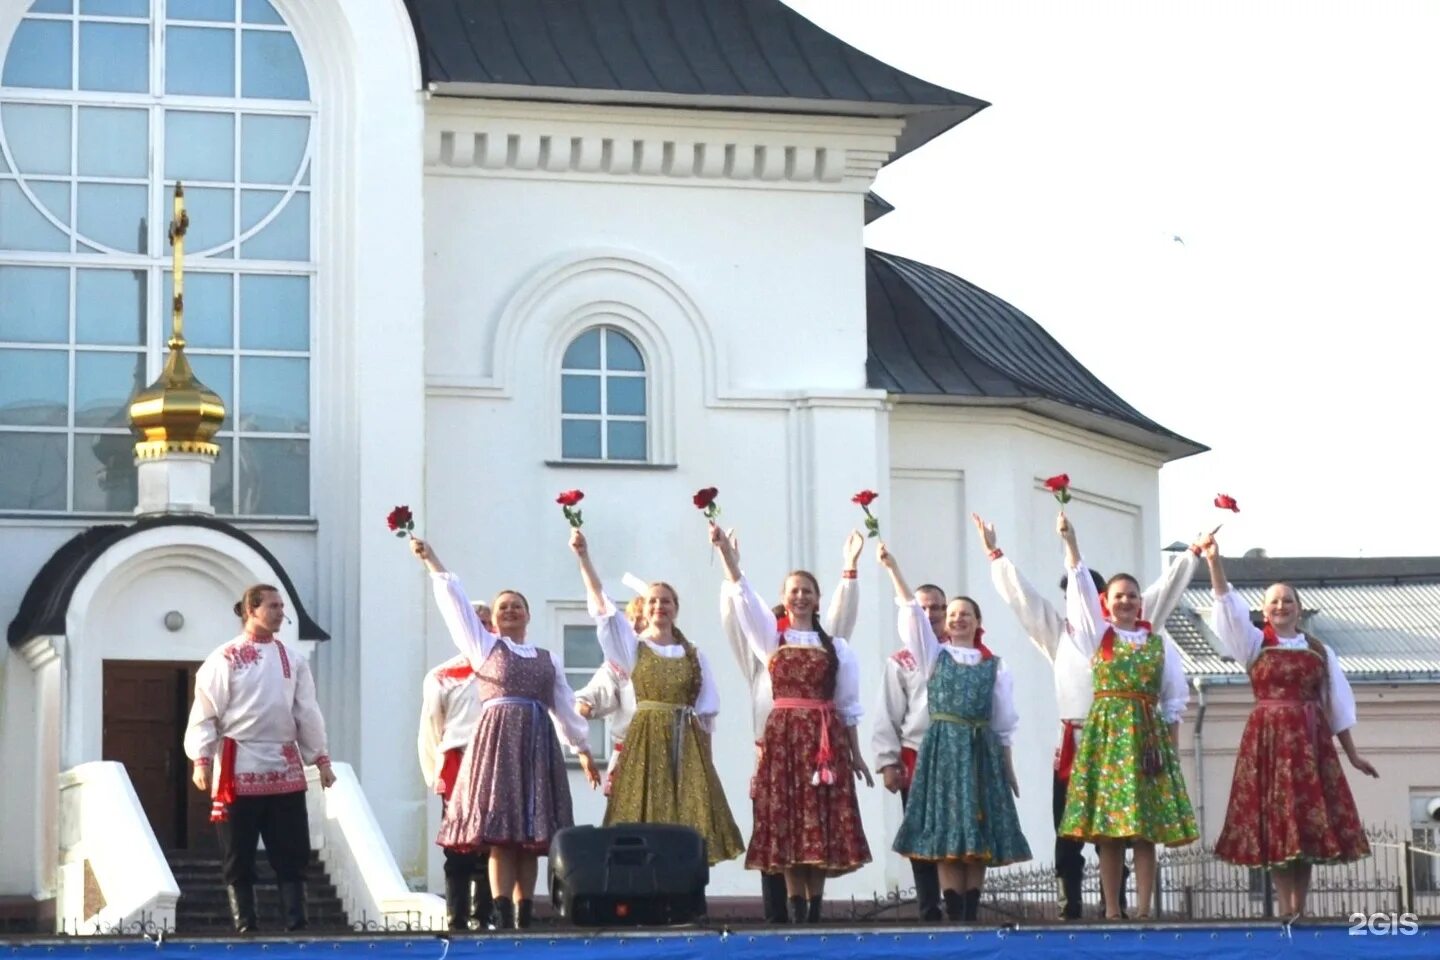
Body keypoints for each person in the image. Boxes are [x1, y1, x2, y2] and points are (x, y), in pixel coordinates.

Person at [974, 513, 1200, 919]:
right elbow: (1022, 598)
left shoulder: (1131, 638)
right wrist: (995, 555)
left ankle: (1115, 903)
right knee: (1069, 825)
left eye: (1089, 596)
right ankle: (1069, 902)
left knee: (1122, 827)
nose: (1079, 604)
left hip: (1126, 738)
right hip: (1077, 741)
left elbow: (1161, 595)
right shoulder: (1056, 632)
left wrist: (1193, 556)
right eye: (1073, 596)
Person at [411, 538, 600, 929]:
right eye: (503, 607)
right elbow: (456, 606)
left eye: (517, 605)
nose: (510, 610)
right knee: (500, 836)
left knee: (530, 836)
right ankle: (497, 909)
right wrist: (433, 561)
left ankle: (524, 911)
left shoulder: (548, 659)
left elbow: (563, 705)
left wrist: (581, 747)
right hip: (497, 744)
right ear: (494, 620)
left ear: (528, 615)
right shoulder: (484, 648)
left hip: (535, 743)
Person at [1203, 539, 1377, 917]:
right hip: (1267, 741)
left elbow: (1338, 705)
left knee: (1306, 822)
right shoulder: (1253, 643)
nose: (1281, 606)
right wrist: (1215, 564)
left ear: (1298, 608)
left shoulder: (1318, 649)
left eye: (1287, 601)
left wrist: (1352, 754)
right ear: (1264, 611)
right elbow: (1227, 609)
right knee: (1280, 824)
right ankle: (1285, 906)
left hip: (1310, 745)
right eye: (1274, 602)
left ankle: (1301, 906)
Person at [712, 521, 873, 923]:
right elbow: (745, 604)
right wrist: (728, 561)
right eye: (793, 592)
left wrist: (855, 754)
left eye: (807, 591)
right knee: (785, 820)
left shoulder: (834, 646)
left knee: (817, 823)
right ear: (784, 600)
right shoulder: (771, 640)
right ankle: (794, 905)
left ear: (817, 600)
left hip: (822, 742)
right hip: (782, 742)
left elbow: (848, 703)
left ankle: (813, 908)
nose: (800, 597)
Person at [569, 528, 745, 863]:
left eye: (666, 600)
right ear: (644, 609)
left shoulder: (693, 654)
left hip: (685, 741)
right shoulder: (634, 648)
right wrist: (584, 559)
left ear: (676, 608)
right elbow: (603, 610)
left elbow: (707, 715)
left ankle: (684, 888)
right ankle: (639, 884)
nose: (659, 605)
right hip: (645, 741)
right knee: (641, 812)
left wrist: (707, 765)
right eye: (653, 600)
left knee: (688, 815)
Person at [1056, 514, 1198, 920]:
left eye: (1132, 596)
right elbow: (1080, 592)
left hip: (1146, 737)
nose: (1126, 601)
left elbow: (1173, 699)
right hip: (1106, 736)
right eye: (1118, 596)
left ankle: (1143, 908)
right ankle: (1113, 908)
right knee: (1110, 832)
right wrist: (1072, 545)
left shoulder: (1157, 643)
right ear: (1107, 602)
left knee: (1145, 831)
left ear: (1140, 601)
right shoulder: (1096, 637)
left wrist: (1170, 753)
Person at [878, 543, 1030, 921]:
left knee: (975, 829)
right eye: (955, 615)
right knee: (946, 829)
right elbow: (912, 616)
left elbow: (1003, 720)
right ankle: (949, 906)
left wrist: (1008, 767)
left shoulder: (994, 664)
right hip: (942, 752)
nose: (959, 619)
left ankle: (969, 911)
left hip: (979, 751)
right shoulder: (933, 657)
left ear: (979, 623)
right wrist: (894, 570)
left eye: (967, 614)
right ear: (945, 625)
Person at [184, 584, 336, 933]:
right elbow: (206, 711)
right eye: (273, 606)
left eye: (283, 606)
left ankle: (297, 923)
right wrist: (201, 758)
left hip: (283, 762)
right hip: (239, 765)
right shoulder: (225, 658)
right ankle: (245, 925)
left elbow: (307, 712)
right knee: (238, 852)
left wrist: (321, 760)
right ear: (251, 610)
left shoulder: (293, 660)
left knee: (293, 849)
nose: (281, 612)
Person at [871, 581, 947, 922]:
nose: (929, 615)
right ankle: (929, 906)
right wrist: (888, 761)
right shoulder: (900, 660)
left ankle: (961, 905)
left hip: (959, 753)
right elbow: (888, 711)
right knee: (922, 834)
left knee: (960, 830)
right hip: (916, 754)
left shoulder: (963, 653)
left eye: (936, 608)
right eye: (923, 608)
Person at [418, 603, 494, 930]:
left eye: (485, 622)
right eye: (473, 622)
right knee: (459, 845)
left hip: (499, 762)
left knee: (496, 842)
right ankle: (458, 917)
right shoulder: (441, 675)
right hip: (460, 762)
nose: (480, 628)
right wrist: (437, 772)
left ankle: (488, 914)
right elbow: (432, 727)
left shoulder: (507, 667)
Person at [574, 595, 642, 798]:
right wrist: (582, 706)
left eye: (643, 618)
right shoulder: (619, 664)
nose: (637, 625)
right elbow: (595, 693)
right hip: (630, 752)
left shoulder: (680, 656)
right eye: (632, 618)